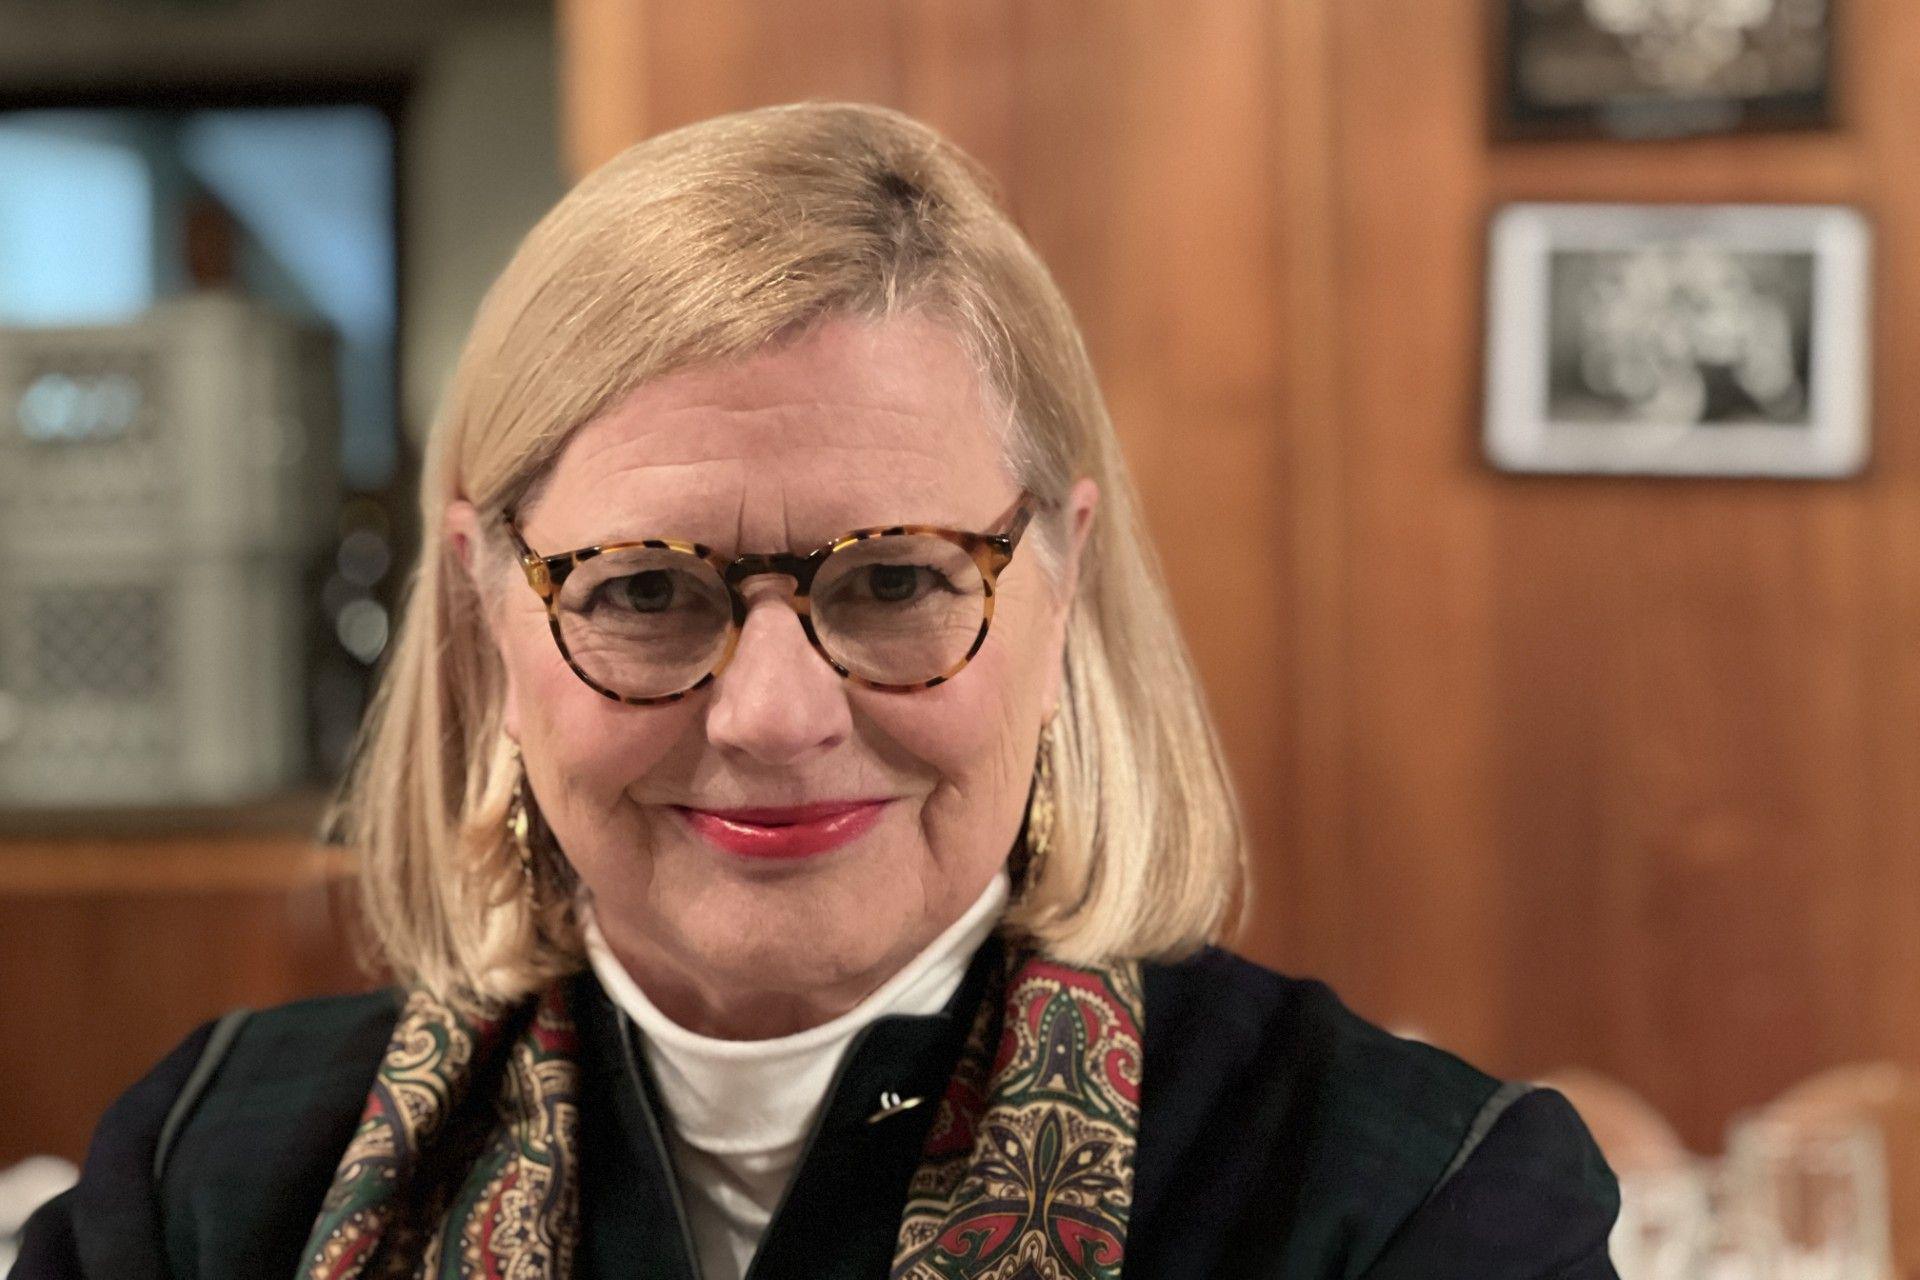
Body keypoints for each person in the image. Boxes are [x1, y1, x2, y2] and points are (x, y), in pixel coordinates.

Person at [16, 102, 1618, 1279]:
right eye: (644, 590)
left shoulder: (1410, 1207)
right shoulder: (205, 1184)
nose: (773, 717)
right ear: (481, 601)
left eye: (900, 580)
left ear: (1061, 581)